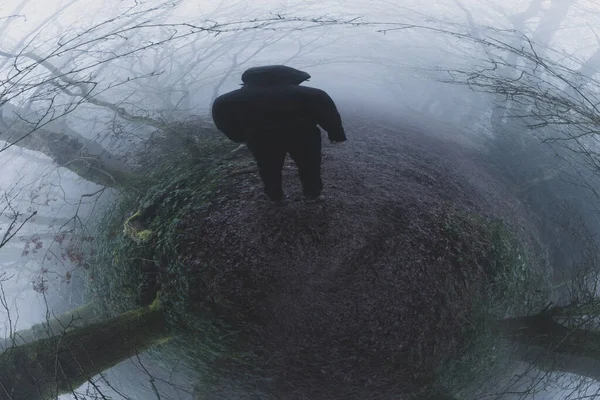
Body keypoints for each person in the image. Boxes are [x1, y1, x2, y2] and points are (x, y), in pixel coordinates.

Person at [211, 65, 346, 204]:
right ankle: (312, 195)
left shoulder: (227, 100)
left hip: (261, 139)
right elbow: (329, 115)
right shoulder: (313, 94)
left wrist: (238, 136)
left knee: (268, 168)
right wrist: (336, 135)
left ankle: (275, 197)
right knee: (309, 166)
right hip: (304, 137)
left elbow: (222, 119)